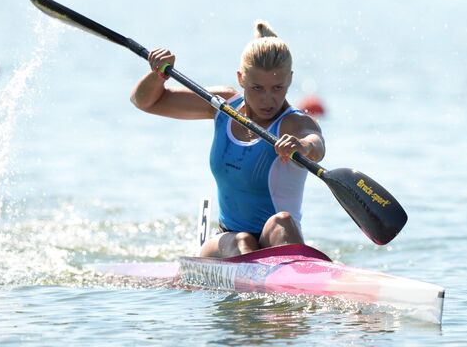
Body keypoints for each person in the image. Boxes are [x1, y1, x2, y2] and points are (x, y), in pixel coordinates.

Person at [130, 20, 325, 258]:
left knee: (282, 222)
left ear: (290, 79)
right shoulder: (222, 105)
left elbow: (316, 145)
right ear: (241, 78)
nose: (268, 99)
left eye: (277, 87)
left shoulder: (295, 123)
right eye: (257, 88)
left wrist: (302, 146)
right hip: (226, 241)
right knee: (242, 241)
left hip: (277, 239)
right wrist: (158, 75)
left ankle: (296, 273)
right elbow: (145, 101)